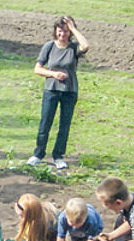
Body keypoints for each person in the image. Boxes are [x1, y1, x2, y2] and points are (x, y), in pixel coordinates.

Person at [27, 16, 90, 170]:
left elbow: (86, 46)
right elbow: (37, 69)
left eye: (66, 31)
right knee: (45, 122)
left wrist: (74, 28)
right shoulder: (49, 46)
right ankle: (38, 154)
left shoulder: (74, 48)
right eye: (60, 30)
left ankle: (58, 156)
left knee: (65, 124)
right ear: (56, 31)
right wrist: (53, 74)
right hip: (51, 89)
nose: (63, 34)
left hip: (69, 91)